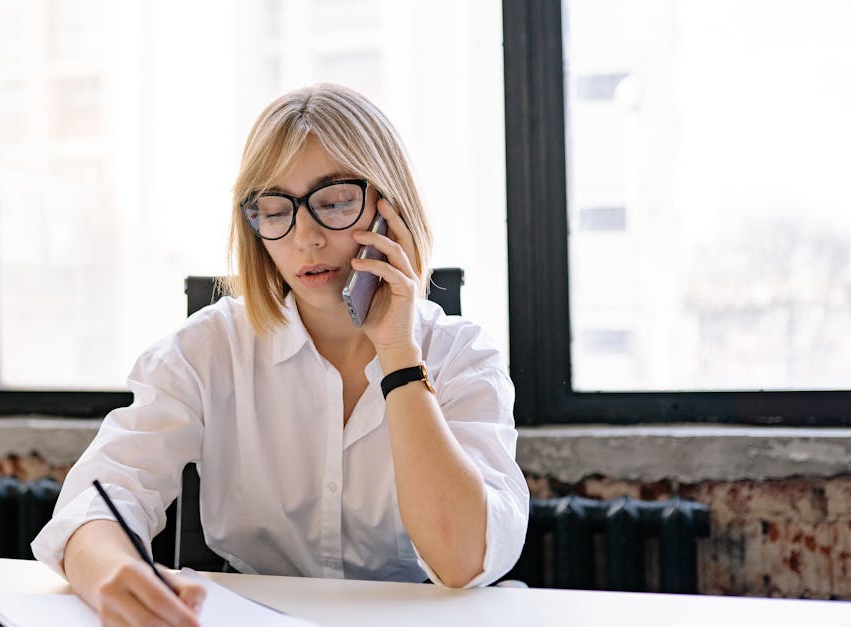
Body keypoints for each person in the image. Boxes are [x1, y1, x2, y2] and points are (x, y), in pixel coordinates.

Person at [31, 83, 528, 627]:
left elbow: (463, 561)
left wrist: (397, 355)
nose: (305, 238)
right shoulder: (208, 348)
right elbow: (99, 499)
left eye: (335, 202)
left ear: (390, 209)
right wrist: (113, 577)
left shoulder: (460, 355)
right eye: (275, 210)